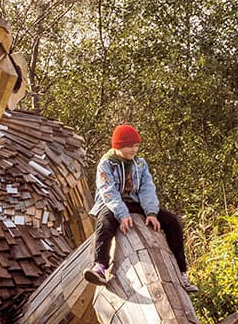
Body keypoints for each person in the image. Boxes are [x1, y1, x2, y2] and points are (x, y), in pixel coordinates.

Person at [82, 124, 197, 292]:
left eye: (136, 146)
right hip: (111, 202)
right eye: (130, 146)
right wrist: (122, 215)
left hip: (134, 201)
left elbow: (147, 189)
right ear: (118, 145)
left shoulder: (140, 164)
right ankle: (100, 266)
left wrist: (151, 212)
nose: (134, 150)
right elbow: (108, 191)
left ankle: (181, 273)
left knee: (173, 222)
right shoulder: (106, 165)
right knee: (105, 223)